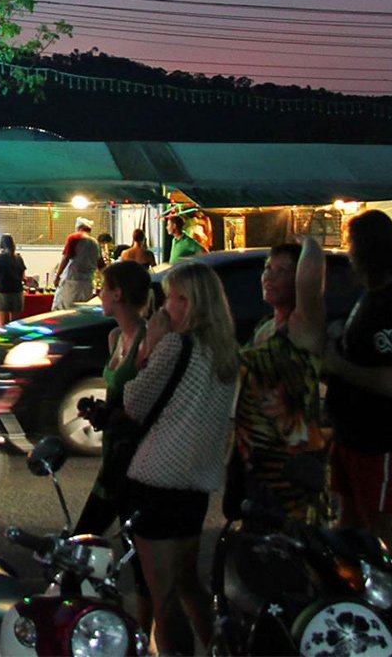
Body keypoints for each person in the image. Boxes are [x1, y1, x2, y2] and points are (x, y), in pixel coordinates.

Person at [125, 259, 240, 656]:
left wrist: (149, 346)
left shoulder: (176, 345)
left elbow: (133, 400)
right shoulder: (226, 355)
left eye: (175, 298)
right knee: (189, 581)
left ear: (192, 305)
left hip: (156, 480)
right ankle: (217, 647)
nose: (166, 307)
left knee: (164, 595)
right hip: (196, 483)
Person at [321, 210, 392, 563]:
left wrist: (336, 363)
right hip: (352, 434)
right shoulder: (371, 296)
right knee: (347, 528)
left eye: (352, 244)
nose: (347, 253)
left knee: (382, 532)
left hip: (382, 439)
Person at [229, 238, 331, 524]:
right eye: (267, 268)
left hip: (292, 465)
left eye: (282, 271)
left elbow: (313, 281)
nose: (269, 277)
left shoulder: (302, 326)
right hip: (256, 460)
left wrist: (308, 241)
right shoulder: (264, 328)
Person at [75, 260, 155, 535]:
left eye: (103, 288)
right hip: (112, 449)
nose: (99, 294)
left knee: (87, 537)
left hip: (134, 453)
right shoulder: (115, 337)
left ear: (118, 294)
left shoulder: (148, 340)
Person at [52, 219, 102, 310]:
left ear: (79, 227)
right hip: (88, 284)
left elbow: (66, 258)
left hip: (72, 281)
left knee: (63, 310)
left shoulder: (74, 238)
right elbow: (101, 265)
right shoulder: (95, 243)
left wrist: (57, 275)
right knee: (82, 312)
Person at [0, 235, 26, 330]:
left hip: (3, 292)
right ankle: (15, 343)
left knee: (3, 324)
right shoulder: (18, 258)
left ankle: (4, 343)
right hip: (17, 292)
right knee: (15, 324)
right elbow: (23, 277)